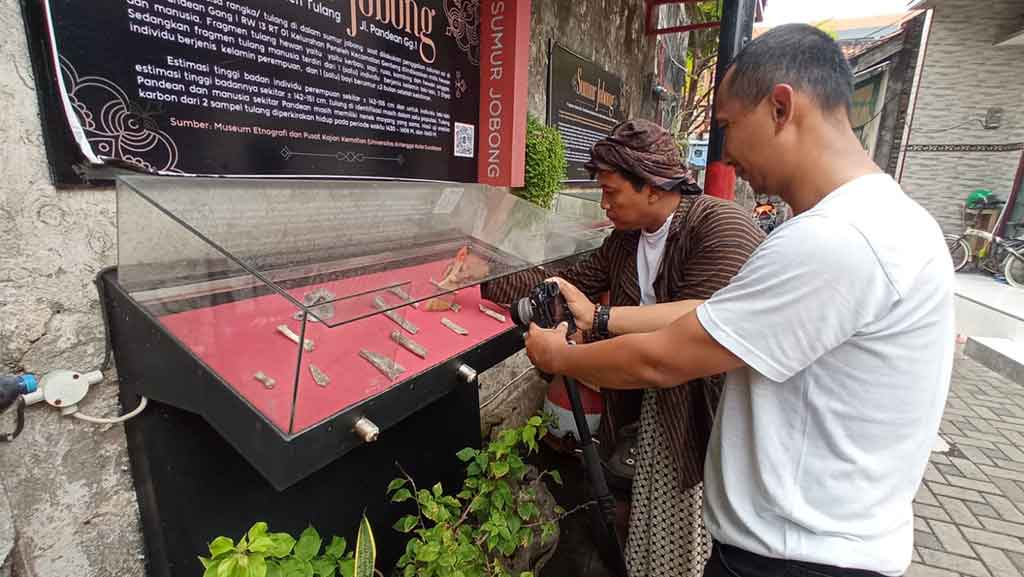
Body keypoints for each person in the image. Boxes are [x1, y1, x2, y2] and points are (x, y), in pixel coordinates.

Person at [525, 24, 954, 577]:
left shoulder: (838, 240)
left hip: (795, 556)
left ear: (780, 107)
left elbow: (667, 355)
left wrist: (561, 358)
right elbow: (705, 314)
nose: (723, 148)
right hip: (810, 543)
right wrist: (578, 307)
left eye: (727, 124)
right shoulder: (881, 223)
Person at [480, 118, 764, 577]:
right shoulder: (624, 242)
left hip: (707, 415)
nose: (604, 203)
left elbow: (707, 318)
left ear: (652, 188)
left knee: (692, 529)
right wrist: (484, 275)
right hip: (648, 406)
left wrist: (601, 320)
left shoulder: (719, 225)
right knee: (644, 518)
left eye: (612, 192)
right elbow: (568, 282)